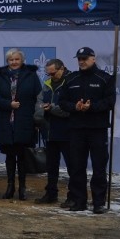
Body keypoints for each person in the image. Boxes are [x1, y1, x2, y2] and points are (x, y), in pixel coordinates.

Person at [59, 47, 116, 214]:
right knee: (76, 167)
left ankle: (98, 202)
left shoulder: (105, 78)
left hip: (97, 129)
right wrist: (74, 107)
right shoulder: (70, 79)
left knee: (99, 167)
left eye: (85, 58)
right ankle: (79, 201)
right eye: (79, 59)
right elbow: (62, 101)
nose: (81, 61)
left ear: (93, 59)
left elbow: (110, 101)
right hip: (76, 129)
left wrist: (92, 107)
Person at [0, 48, 41, 201]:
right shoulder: (0, 76)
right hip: (7, 122)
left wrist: (38, 119)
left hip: (25, 121)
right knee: (9, 157)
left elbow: (38, 98)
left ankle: (22, 188)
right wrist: (9, 104)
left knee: (22, 156)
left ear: (22, 60)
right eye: (11, 60)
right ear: (7, 61)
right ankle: (10, 186)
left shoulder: (32, 76)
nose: (14, 62)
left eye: (16, 59)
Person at [33, 59, 71, 204]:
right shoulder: (47, 85)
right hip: (49, 132)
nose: (50, 76)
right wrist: (41, 113)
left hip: (67, 132)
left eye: (53, 73)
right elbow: (38, 103)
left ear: (62, 68)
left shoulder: (70, 83)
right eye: (48, 74)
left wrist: (52, 108)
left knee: (72, 167)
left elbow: (69, 108)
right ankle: (51, 193)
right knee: (51, 166)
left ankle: (73, 195)